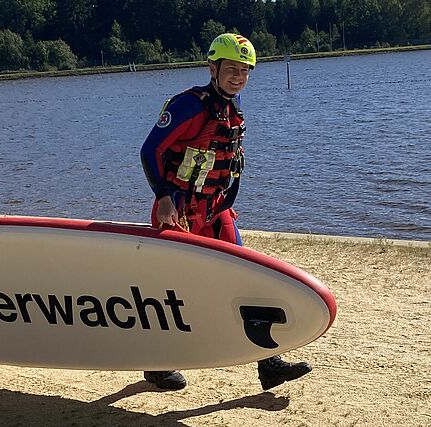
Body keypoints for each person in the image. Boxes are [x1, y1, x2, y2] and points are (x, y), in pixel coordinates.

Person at [138, 33, 312, 391]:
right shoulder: (188, 106)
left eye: (245, 71)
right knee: (173, 290)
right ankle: (156, 364)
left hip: (216, 211)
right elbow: (149, 150)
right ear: (212, 68)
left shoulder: (233, 107)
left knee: (249, 277)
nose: (238, 77)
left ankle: (268, 364)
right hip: (178, 212)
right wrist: (163, 197)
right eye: (232, 69)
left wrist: (226, 201)